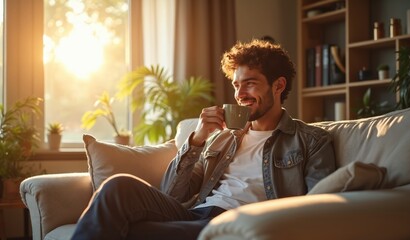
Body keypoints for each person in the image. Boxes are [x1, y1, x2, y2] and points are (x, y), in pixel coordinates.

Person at [71, 39, 336, 240]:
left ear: (278, 86)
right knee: (118, 187)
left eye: (250, 83)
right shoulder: (222, 139)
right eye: (236, 85)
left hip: (238, 224)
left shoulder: (311, 141)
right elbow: (173, 195)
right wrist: (196, 140)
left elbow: (319, 207)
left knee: (132, 231)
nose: (240, 93)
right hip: (197, 215)